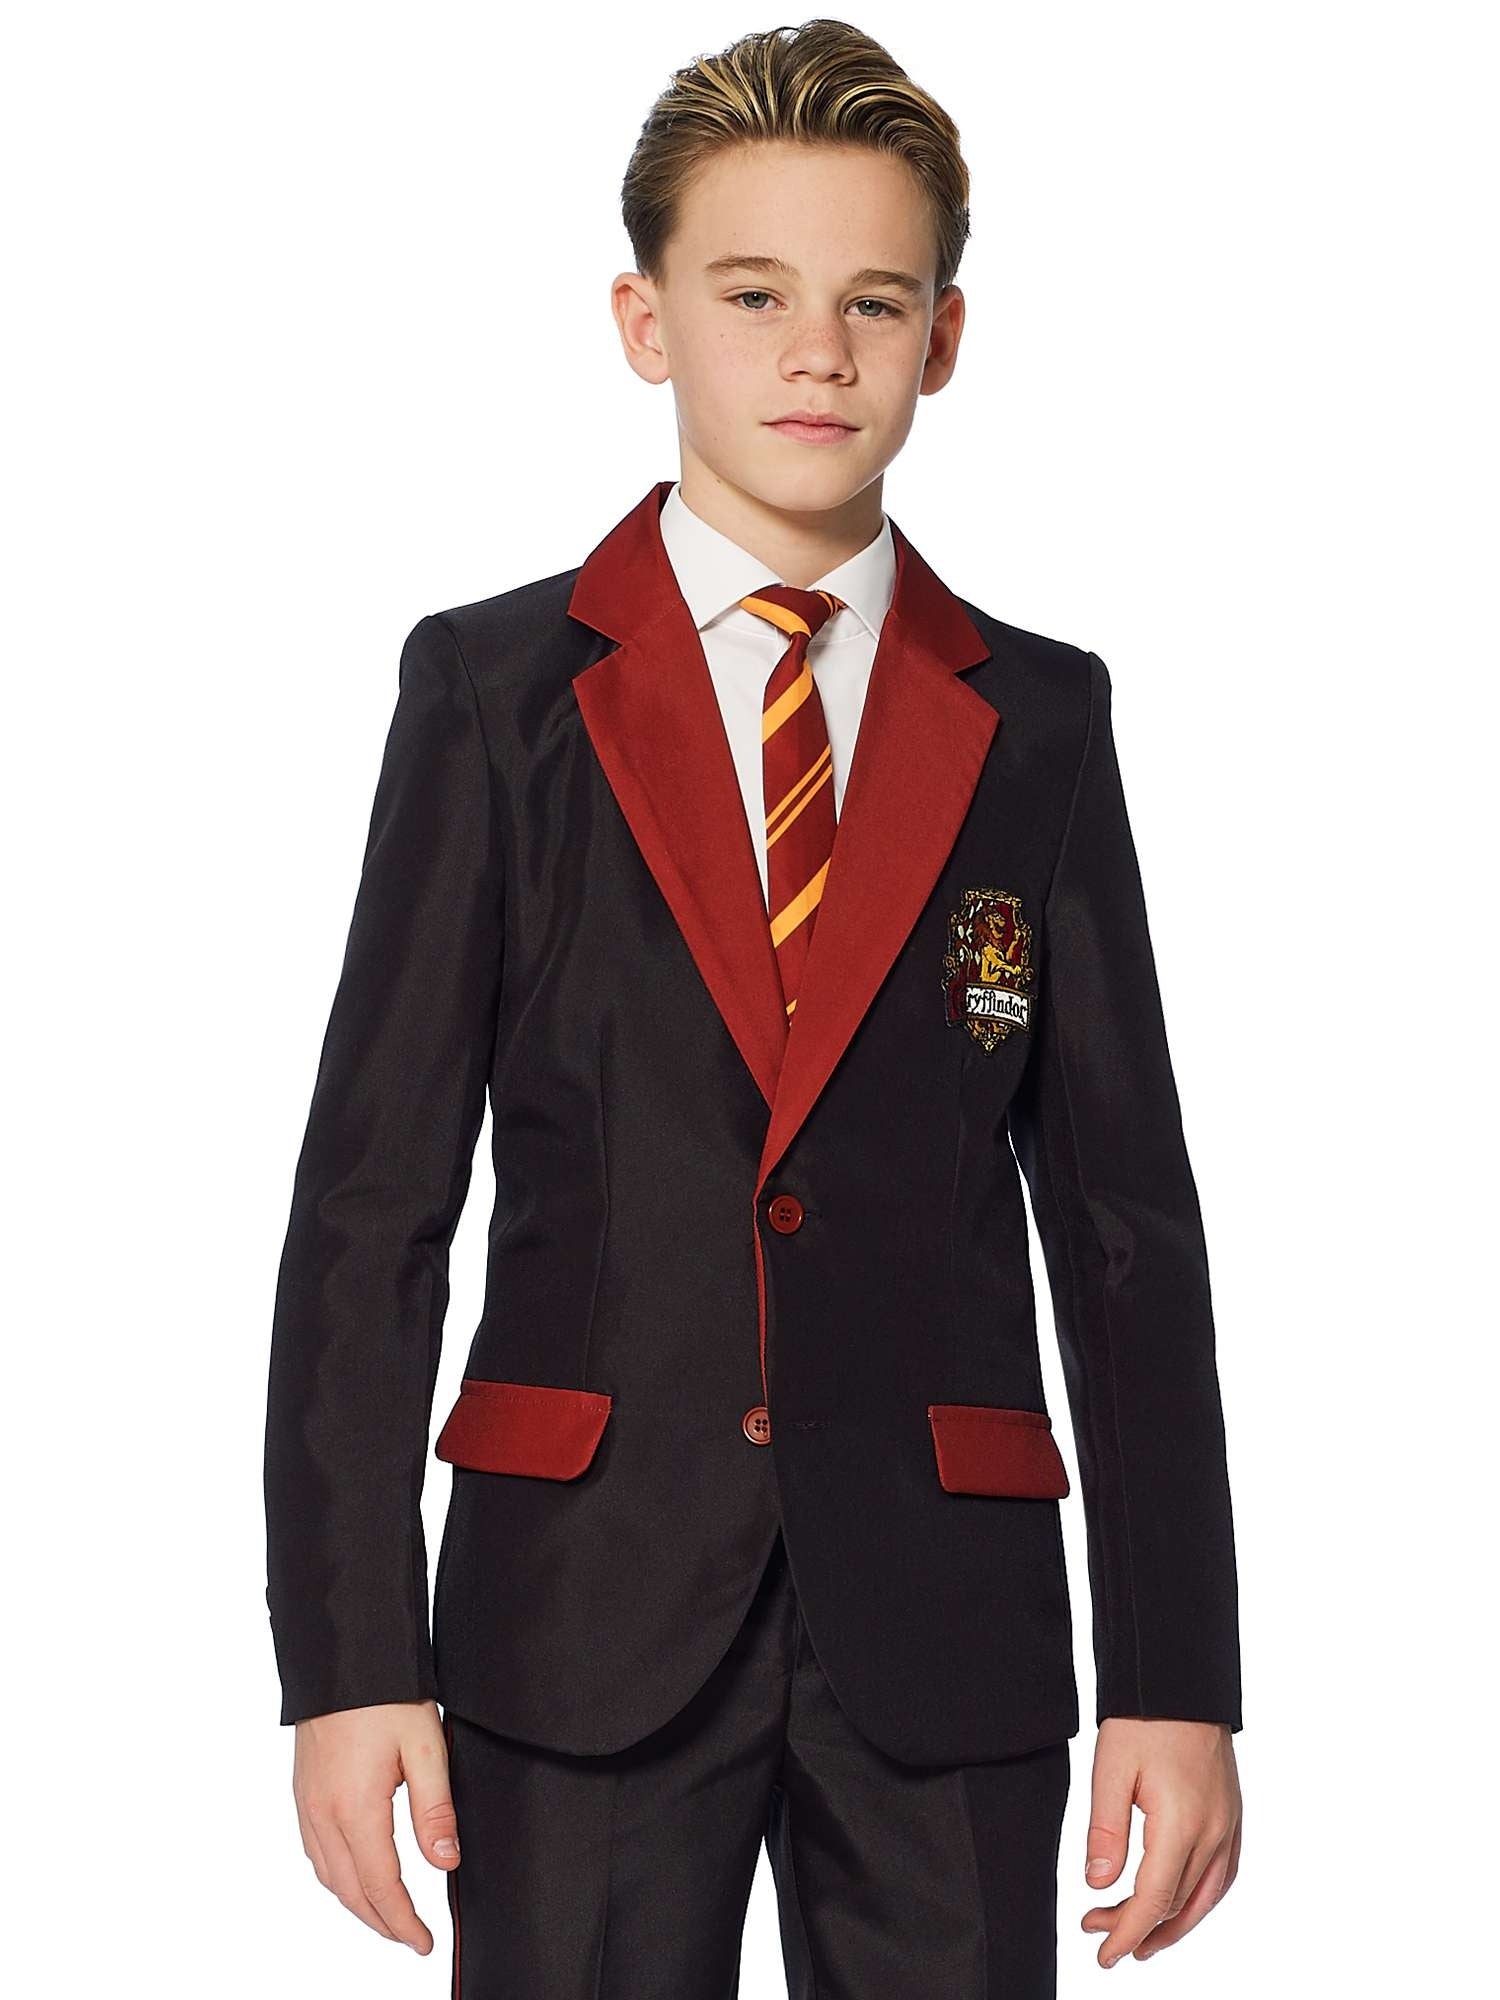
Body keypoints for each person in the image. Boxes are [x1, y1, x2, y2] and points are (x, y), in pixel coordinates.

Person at [264, 19, 1243, 1995]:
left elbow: (1126, 1225)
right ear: (644, 322)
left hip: (947, 1621)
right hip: (575, 1613)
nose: (819, 353)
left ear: (943, 340)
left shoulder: (1040, 723)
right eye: (753, 294)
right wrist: (347, 1661)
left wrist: (1180, 1672)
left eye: (875, 301)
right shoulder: (494, 698)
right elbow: (373, 1208)